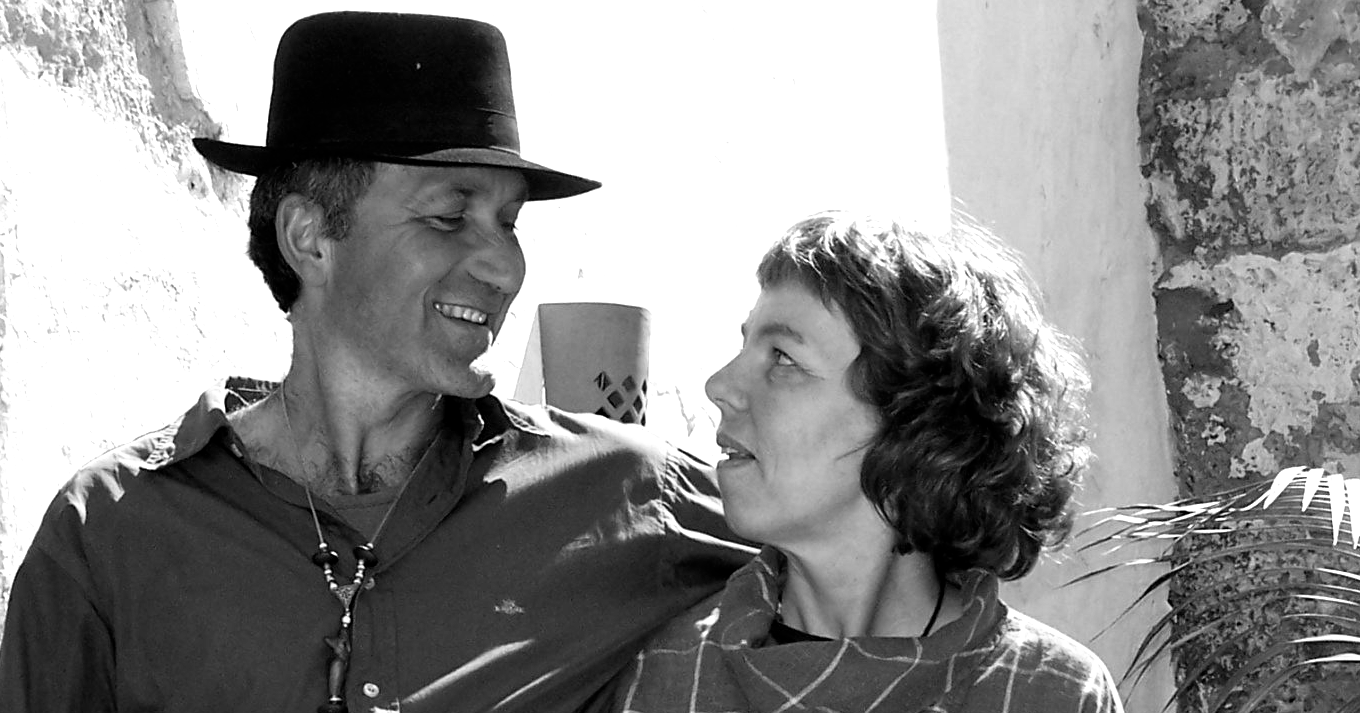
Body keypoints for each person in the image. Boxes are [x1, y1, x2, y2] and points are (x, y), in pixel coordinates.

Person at [0, 12, 752, 713]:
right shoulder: (108, 533)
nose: (505, 267)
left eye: (510, 222)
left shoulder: (627, 495)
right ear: (310, 238)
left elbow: (824, 550)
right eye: (450, 216)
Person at [609, 211, 1124, 712]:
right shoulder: (672, 676)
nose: (719, 386)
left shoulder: (1052, 693)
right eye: (744, 347)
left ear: (917, 420)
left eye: (783, 358)